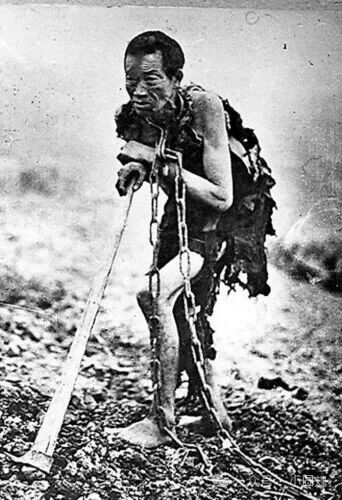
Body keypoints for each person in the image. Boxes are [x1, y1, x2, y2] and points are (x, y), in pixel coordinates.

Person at [111, 31, 275, 448]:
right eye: (131, 80)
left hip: (224, 223)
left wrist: (160, 164)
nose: (139, 91)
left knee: (155, 296)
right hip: (180, 215)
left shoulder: (204, 106)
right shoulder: (140, 112)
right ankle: (214, 414)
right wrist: (138, 168)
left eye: (151, 79)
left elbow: (221, 195)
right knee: (184, 313)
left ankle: (161, 422)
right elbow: (152, 155)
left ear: (175, 78)